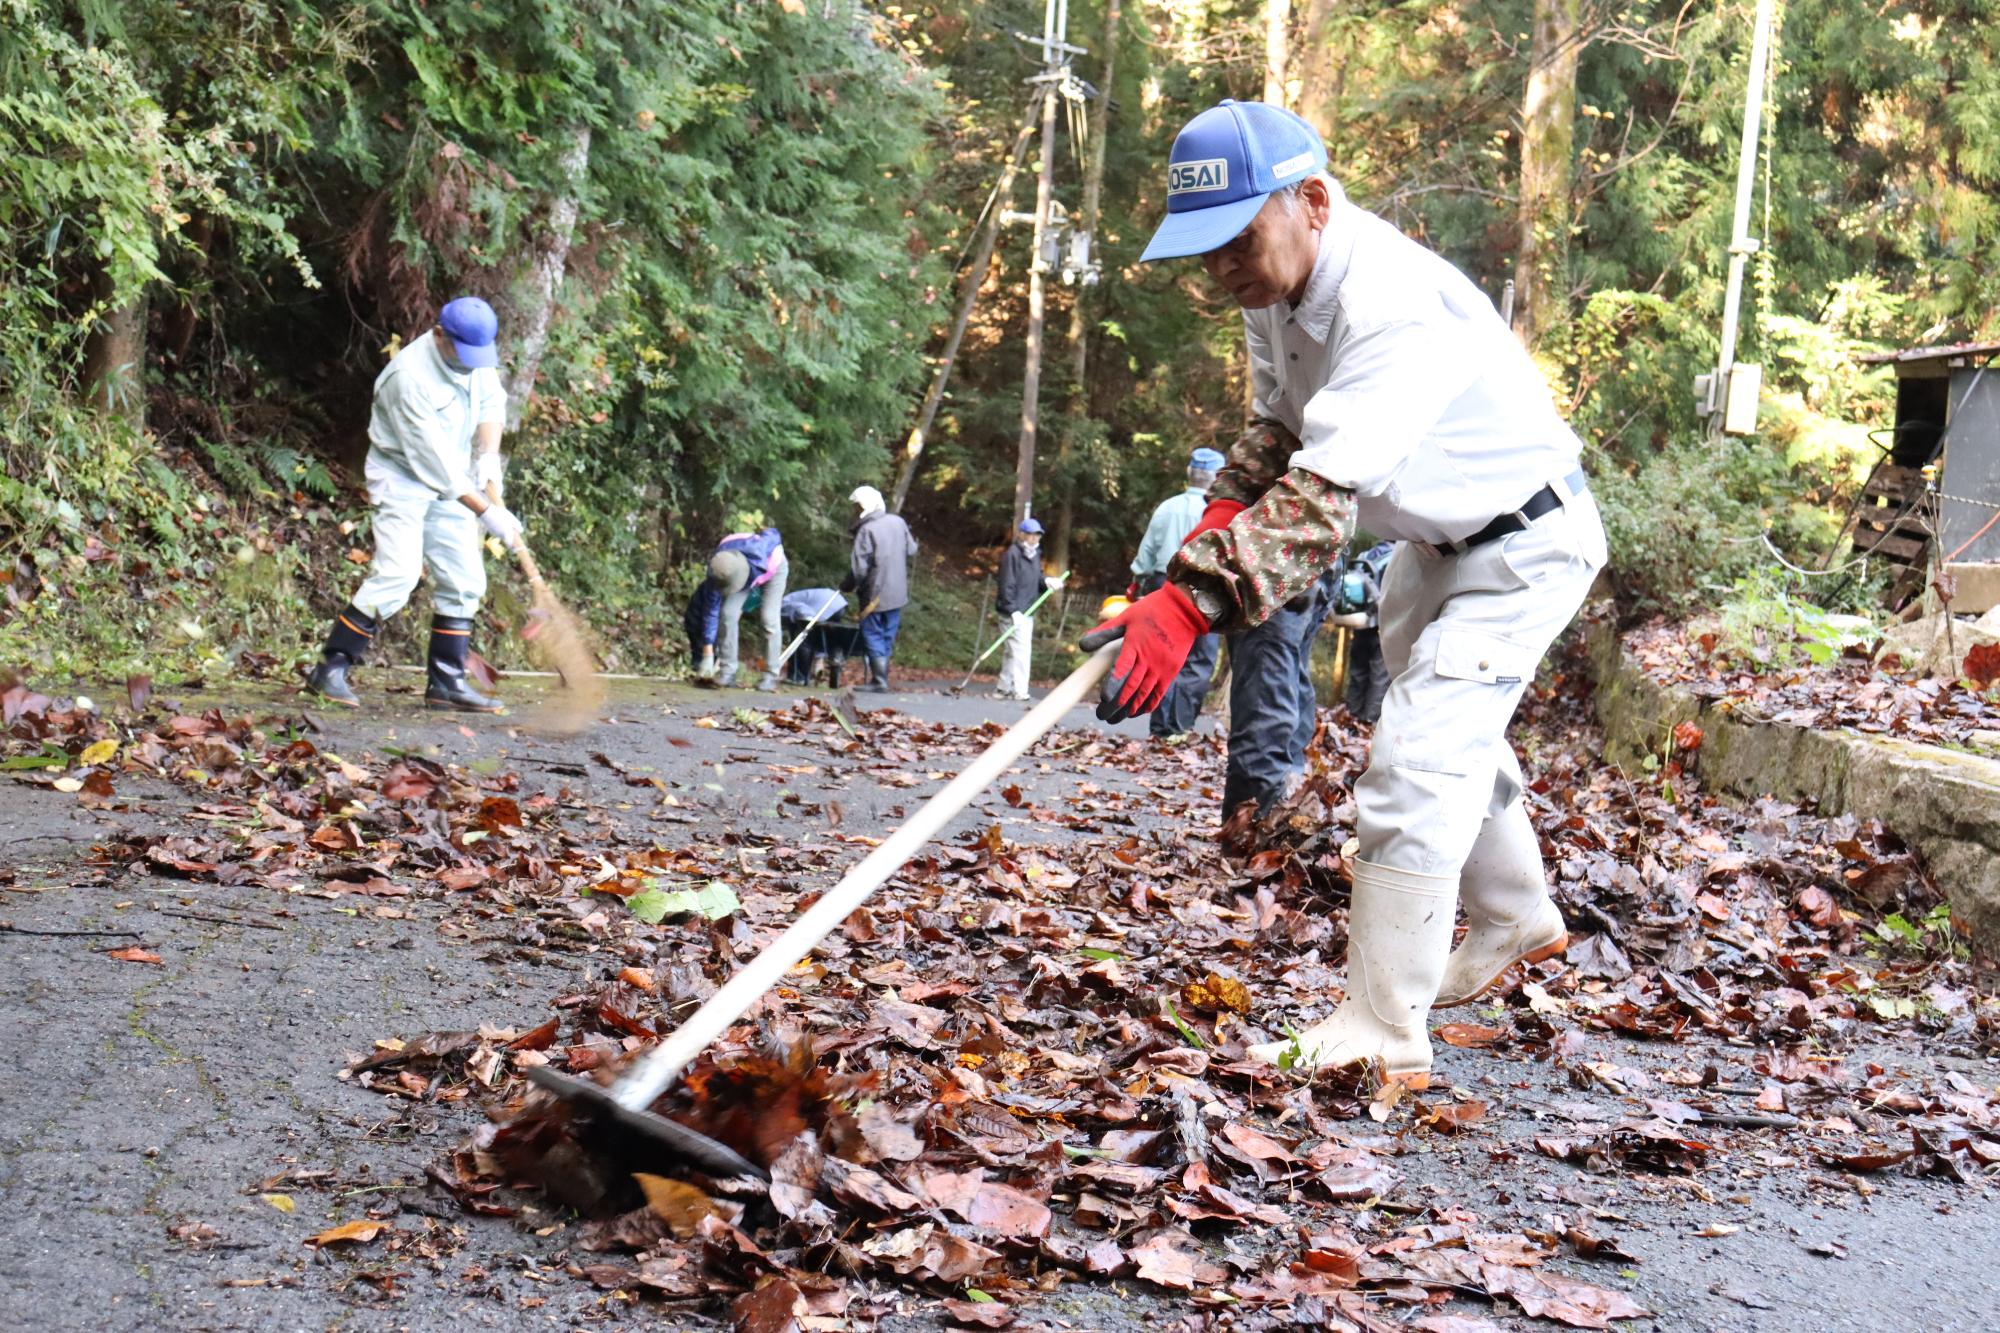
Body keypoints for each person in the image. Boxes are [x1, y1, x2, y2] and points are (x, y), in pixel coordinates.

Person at [1081, 100, 1605, 1089]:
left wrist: (1189, 603)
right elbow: (1274, 431)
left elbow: (1317, 508)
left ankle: (1382, 1026)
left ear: (1310, 201)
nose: (1221, 269)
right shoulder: (1270, 295)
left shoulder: (1391, 303)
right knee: (1449, 734)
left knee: (1413, 767)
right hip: (1429, 548)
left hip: (1524, 542)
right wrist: (1201, 536)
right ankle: (1513, 913)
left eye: (1236, 239)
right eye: (1204, 252)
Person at [306, 296, 524, 713]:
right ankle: (330, 668)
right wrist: (488, 512)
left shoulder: (475, 354)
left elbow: (492, 403)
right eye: (463, 354)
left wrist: (490, 460)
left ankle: (446, 682)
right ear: (440, 335)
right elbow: (435, 466)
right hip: (404, 477)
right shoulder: (408, 377)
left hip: (457, 476)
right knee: (398, 575)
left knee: (465, 580)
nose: (471, 363)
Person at [1131, 448, 1227, 738]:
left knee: (1164, 654)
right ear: (1218, 477)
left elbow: (1145, 554)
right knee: (1198, 660)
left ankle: (1160, 726)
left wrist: (1137, 585)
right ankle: (1180, 726)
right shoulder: (1221, 511)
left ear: (1189, 473)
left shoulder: (1167, 507)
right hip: (1207, 588)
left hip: (1165, 584)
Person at [687, 528, 788, 690]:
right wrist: (707, 653)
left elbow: (774, 533)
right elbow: (711, 612)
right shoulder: (719, 567)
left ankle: (771, 674)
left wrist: (750, 602)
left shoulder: (760, 552)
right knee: (728, 614)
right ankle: (728, 671)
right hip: (737, 569)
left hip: (773, 570)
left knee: (769, 619)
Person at [842, 486, 917, 693]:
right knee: (887, 634)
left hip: (874, 594)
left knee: (873, 633)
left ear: (863, 507)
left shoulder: (867, 530)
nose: (854, 511)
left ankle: (879, 680)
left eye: (856, 506)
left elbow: (859, 568)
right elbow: (912, 549)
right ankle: (880, 677)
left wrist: (847, 586)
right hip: (898, 593)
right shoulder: (898, 522)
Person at [1339, 541, 1395, 723]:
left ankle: (1350, 719)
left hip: (1362, 621)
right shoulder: (1398, 558)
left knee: (1358, 672)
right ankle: (1367, 725)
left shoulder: (1368, 554)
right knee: (1379, 677)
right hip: (1384, 624)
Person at [994, 519, 1045, 701]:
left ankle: (1003, 688)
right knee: (1022, 651)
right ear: (1021, 534)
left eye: (1037, 534)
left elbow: (1037, 579)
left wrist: (1047, 582)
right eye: (1031, 534)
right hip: (1012, 613)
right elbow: (1006, 584)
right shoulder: (1012, 555)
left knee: (1012, 652)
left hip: (1027, 611)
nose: (1034, 538)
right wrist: (1013, 610)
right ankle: (1020, 690)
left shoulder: (1035, 554)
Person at [779, 587, 852, 686]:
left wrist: (809, 617)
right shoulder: (794, 596)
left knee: (804, 641)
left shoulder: (783, 602)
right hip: (839, 603)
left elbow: (800, 609)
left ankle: (800, 677)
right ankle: (833, 657)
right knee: (826, 635)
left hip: (825, 604)